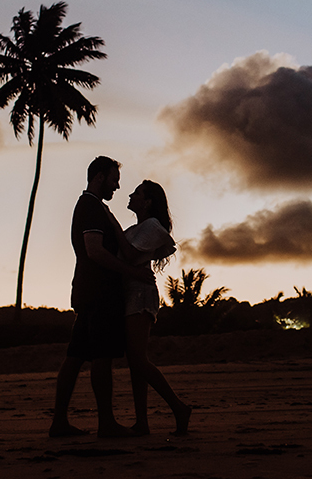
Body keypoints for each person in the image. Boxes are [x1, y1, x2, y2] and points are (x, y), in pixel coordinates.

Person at [49, 156, 153, 439]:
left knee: (76, 354)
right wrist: (131, 272)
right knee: (102, 357)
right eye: (113, 180)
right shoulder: (91, 207)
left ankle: (59, 422)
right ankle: (106, 423)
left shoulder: (93, 207)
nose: (117, 187)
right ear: (99, 177)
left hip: (87, 290)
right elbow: (94, 250)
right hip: (99, 292)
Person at [110, 179, 191, 436]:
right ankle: (142, 422)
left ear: (147, 202)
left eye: (137, 193)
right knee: (136, 361)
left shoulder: (152, 226)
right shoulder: (136, 228)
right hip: (129, 293)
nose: (131, 195)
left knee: (138, 359)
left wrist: (112, 225)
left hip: (140, 294)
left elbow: (132, 256)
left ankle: (178, 407)